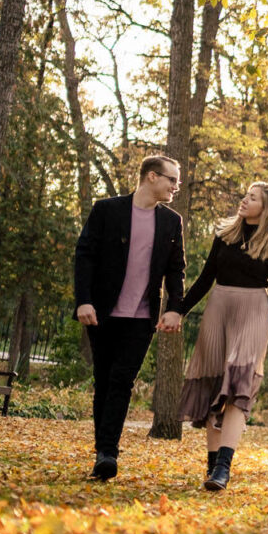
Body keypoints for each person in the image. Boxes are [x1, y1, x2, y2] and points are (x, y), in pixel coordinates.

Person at [167, 182, 268, 491]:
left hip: (253, 311)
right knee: (214, 387)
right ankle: (212, 470)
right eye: (246, 196)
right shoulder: (225, 235)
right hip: (218, 308)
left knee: (239, 385)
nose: (244, 200)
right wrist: (178, 310)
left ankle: (224, 467)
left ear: (267, 209)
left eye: (252, 198)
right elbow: (205, 278)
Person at [73, 156, 186, 480]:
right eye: (172, 180)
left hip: (142, 318)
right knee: (104, 381)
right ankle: (103, 450)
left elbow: (176, 269)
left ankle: (108, 452)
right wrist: (84, 301)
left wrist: (174, 307)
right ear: (152, 177)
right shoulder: (107, 210)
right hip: (103, 313)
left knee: (122, 381)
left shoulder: (171, 221)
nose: (175, 186)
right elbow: (85, 256)